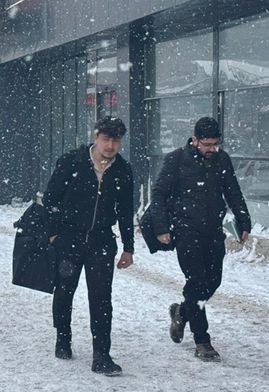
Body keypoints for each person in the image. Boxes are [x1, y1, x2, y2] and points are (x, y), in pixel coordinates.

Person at [149, 117, 251, 362]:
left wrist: (244, 221)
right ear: (194, 140)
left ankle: (182, 312)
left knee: (212, 281)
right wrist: (162, 227)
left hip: (213, 231)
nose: (212, 149)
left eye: (216, 144)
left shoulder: (222, 159)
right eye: (207, 144)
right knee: (196, 283)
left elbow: (233, 191)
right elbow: (159, 194)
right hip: (186, 231)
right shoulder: (176, 160)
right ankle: (202, 341)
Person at [43, 117, 135, 376]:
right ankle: (63, 336)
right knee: (64, 291)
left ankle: (101, 355)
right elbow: (51, 198)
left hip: (102, 241)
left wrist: (129, 247)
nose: (111, 145)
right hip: (69, 239)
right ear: (96, 138)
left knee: (101, 298)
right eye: (106, 139)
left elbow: (126, 210)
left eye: (116, 140)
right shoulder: (73, 161)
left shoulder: (122, 170)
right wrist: (53, 234)